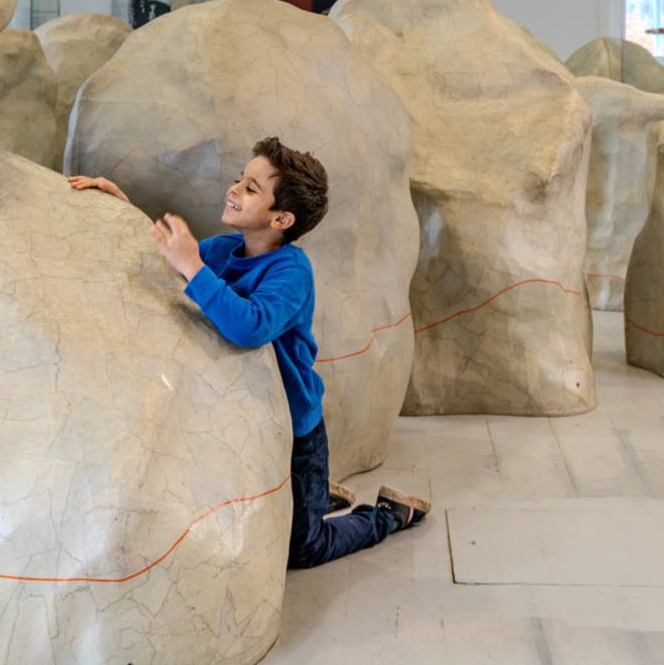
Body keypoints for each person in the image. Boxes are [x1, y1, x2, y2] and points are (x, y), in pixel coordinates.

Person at [69, 138, 430, 569]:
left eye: (251, 188)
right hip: (250, 420)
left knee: (304, 549)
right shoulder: (222, 250)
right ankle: (315, 498)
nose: (235, 189)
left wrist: (194, 268)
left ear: (281, 218)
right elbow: (167, 259)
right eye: (240, 179)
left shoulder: (291, 272)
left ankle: (386, 515)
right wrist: (120, 209)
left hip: (296, 432)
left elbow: (250, 325)